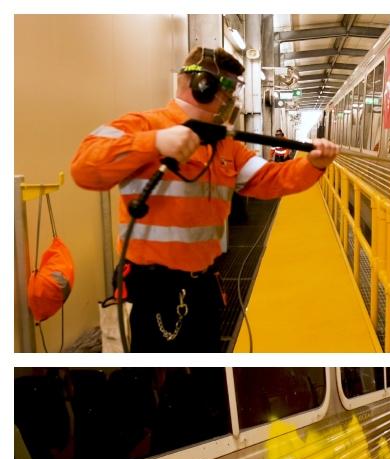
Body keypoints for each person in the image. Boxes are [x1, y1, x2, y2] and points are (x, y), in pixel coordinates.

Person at [70, 47, 339, 352]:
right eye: (227, 88)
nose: (231, 100)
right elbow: (85, 168)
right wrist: (154, 143)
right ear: (202, 86)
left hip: (203, 286)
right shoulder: (144, 126)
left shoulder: (225, 146)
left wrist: (313, 164)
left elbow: (267, 179)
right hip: (149, 288)